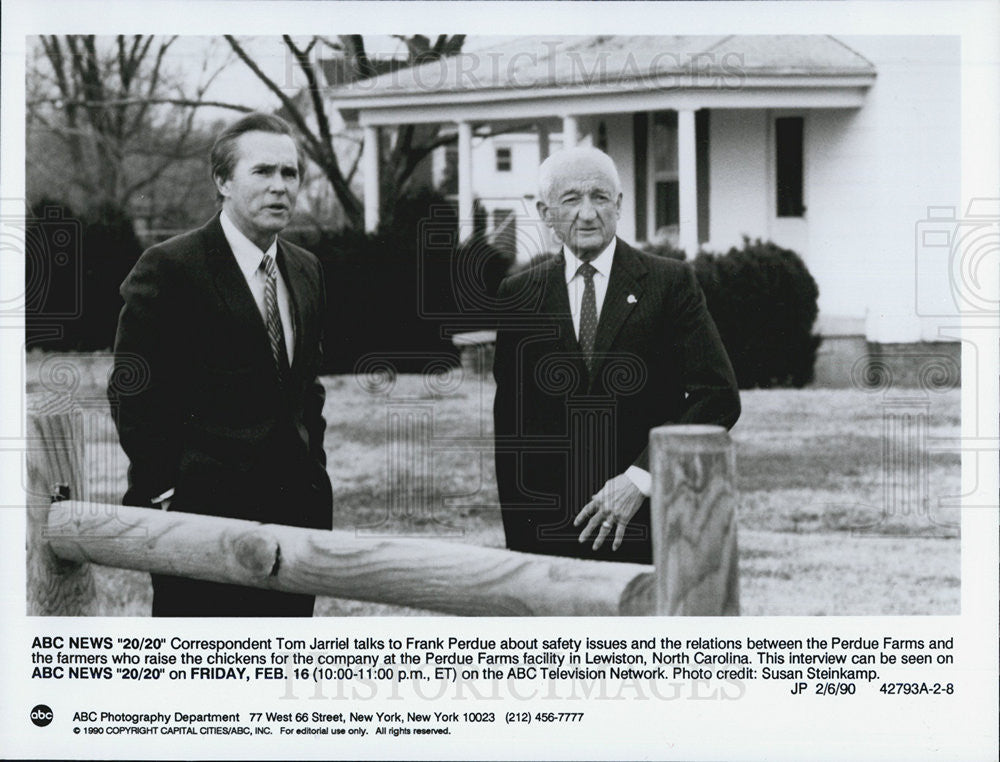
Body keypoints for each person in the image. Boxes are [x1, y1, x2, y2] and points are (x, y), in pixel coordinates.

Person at [107, 113, 332, 616]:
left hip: (296, 522)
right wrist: (162, 490)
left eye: (290, 174)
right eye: (263, 172)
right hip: (199, 523)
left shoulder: (306, 269)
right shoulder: (171, 268)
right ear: (223, 181)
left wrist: (314, 473)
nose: (280, 187)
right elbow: (134, 391)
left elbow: (304, 391)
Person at [492, 146, 740, 564]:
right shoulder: (520, 295)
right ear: (545, 211)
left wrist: (640, 479)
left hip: (648, 525)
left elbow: (717, 397)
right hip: (552, 536)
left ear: (619, 204)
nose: (587, 213)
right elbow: (513, 429)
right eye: (571, 199)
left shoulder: (670, 283)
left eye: (600, 197)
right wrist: (521, 546)